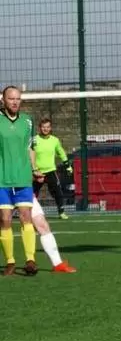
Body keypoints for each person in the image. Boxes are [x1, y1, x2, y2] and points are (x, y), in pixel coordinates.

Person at [0, 85, 40, 276]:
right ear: (3, 100)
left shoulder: (28, 121)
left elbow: (29, 148)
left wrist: (35, 168)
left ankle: (30, 260)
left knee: (26, 217)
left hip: (23, 177)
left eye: (18, 98)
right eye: (11, 98)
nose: (15, 102)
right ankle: (10, 262)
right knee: (5, 219)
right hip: (2, 178)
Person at [33, 117, 70, 219]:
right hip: (37, 172)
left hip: (51, 171)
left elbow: (61, 152)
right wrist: (34, 169)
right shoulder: (34, 140)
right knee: (30, 193)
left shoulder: (55, 140)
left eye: (47, 127)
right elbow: (28, 153)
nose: (45, 129)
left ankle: (61, 212)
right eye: (43, 127)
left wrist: (67, 165)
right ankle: (27, 212)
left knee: (58, 192)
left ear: (50, 128)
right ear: (40, 128)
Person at [31, 195, 76, 273]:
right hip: (6, 190)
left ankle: (57, 264)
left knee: (43, 226)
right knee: (7, 222)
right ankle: (10, 262)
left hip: (24, 191)